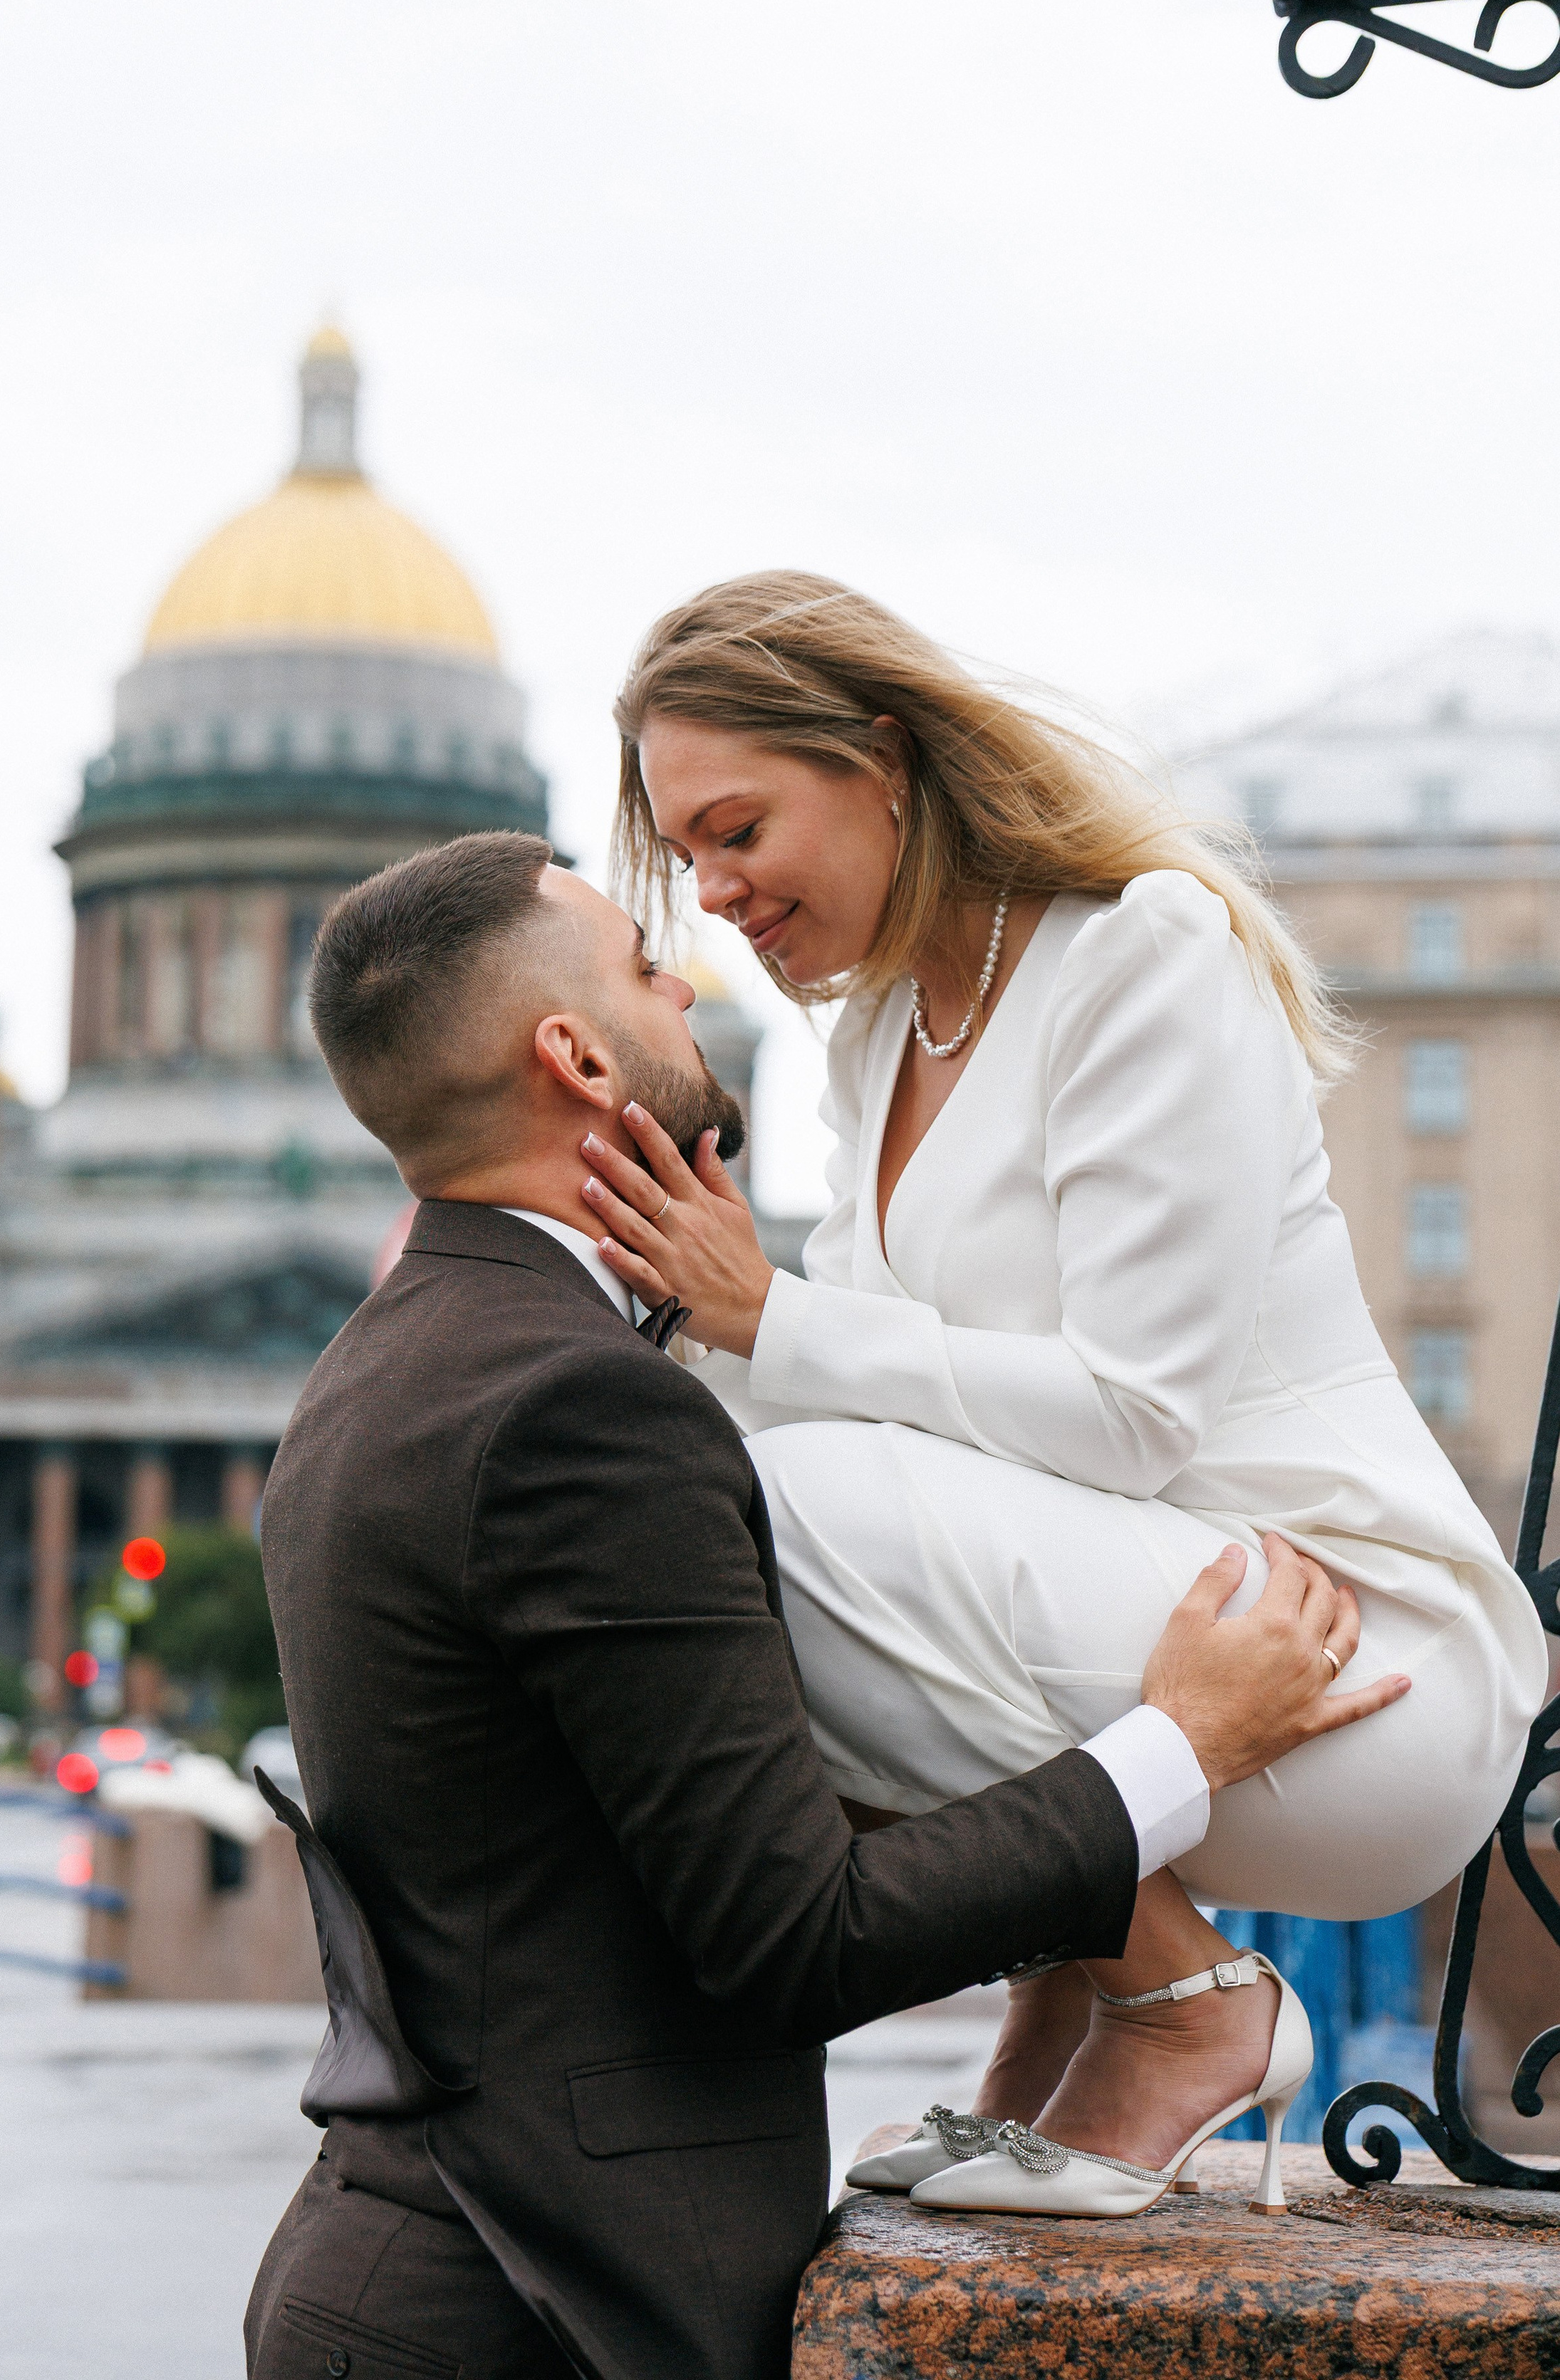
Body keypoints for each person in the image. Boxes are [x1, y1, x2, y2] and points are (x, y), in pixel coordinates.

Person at [247, 828, 1404, 2379]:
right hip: (529, 2310)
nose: (692, 983)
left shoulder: (387, 1367)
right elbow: (794, 1937)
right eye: (647, 969)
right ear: (577, 1058)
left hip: (420, 2273)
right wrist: (1176, 1746)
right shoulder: (574, 1411)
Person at [582, 568, 1547, 2220]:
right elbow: (873, 1416)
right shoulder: (875, 1031)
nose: (713, 894)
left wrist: (763, 1317)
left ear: (881, 757)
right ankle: (1071, 2003)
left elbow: (1134, 1415)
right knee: (700, 1506)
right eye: (683, 862)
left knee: (763, 1516)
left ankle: (1189, 2007)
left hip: (1347, 1650)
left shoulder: (1140, 951)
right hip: (1169, 1627)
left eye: (736, 830)